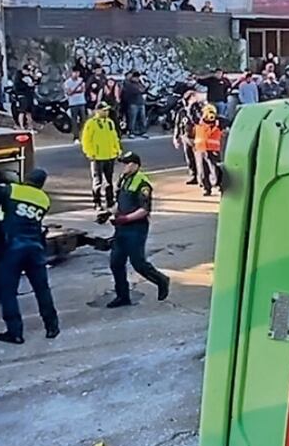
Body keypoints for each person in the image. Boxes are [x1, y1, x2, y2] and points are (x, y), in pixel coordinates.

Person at [0, 169, 59, 344]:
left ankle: (15, 332)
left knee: (8, 292)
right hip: (36, 249)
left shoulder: (13, 190)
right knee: (42, 290)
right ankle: (52, 326)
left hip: (14, 249)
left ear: (27, 179)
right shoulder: (44, 199)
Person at [106, 151, 171, 308]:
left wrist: (125, 218)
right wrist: (108, 213)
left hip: (136, 228)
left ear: (135, 165)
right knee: (116, 262)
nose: (123, 167)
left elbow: (144, 210)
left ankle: (161, 280)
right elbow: (119, 203)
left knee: (138, 263)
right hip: (121, 228)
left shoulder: (142, 184)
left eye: (126, 164)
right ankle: (123, 296)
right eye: (122, 163)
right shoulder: (123, 180)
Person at [81, 103, 122, 210]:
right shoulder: (91, 123)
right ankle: (97, 202)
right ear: (97, 111)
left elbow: (114, 137)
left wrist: (117, 150)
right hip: (97, 157)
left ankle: (110, 201)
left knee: (109, 181)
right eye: (104, 110)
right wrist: (90, 153)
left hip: (109, 156)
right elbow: (86, 140)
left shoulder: (109, 123)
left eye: (107, 110)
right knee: (97, 181)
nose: (106, 112)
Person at [193, 104, 224, 196]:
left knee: (215, 169)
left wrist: (216, 120)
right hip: (201, 149)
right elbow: (191, 116)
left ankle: (220, 185)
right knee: (202, 170)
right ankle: (207, 188)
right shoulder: (199, 122)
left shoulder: (218, 123)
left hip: (213, 149)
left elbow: (227, 122)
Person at [173, 90, 201, 185]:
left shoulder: (199, 110)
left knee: (200, 158)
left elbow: (199, 120)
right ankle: (193, 175)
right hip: (186, 136)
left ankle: (202, 176)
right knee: (189, 158)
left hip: (197, 137)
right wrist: (176, 137)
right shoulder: (182, 111)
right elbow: (178, 124)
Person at [63, 68, 88, 143]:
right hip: (73, 103)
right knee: (74, 120)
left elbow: (83, 90)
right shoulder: (67, 82)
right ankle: (76, 136)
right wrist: (77, 88)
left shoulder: (81, 80)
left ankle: (84, 135)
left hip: (82, 102)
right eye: (75, 72)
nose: (76, 74)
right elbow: (69, 92)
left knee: (84, 119)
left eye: (78, 72)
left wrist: (75, 90)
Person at [122, 70, 148, 138]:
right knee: (132, 119)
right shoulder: (129, 84)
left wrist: (142, 83)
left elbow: (144, 89)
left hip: (141, 103)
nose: (136, 79)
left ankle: (143, 131)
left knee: (142, 119)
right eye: (135, 77)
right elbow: (138, 90)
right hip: (133, 103)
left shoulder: (139, 83)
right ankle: (131, 132)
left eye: (137, 77)